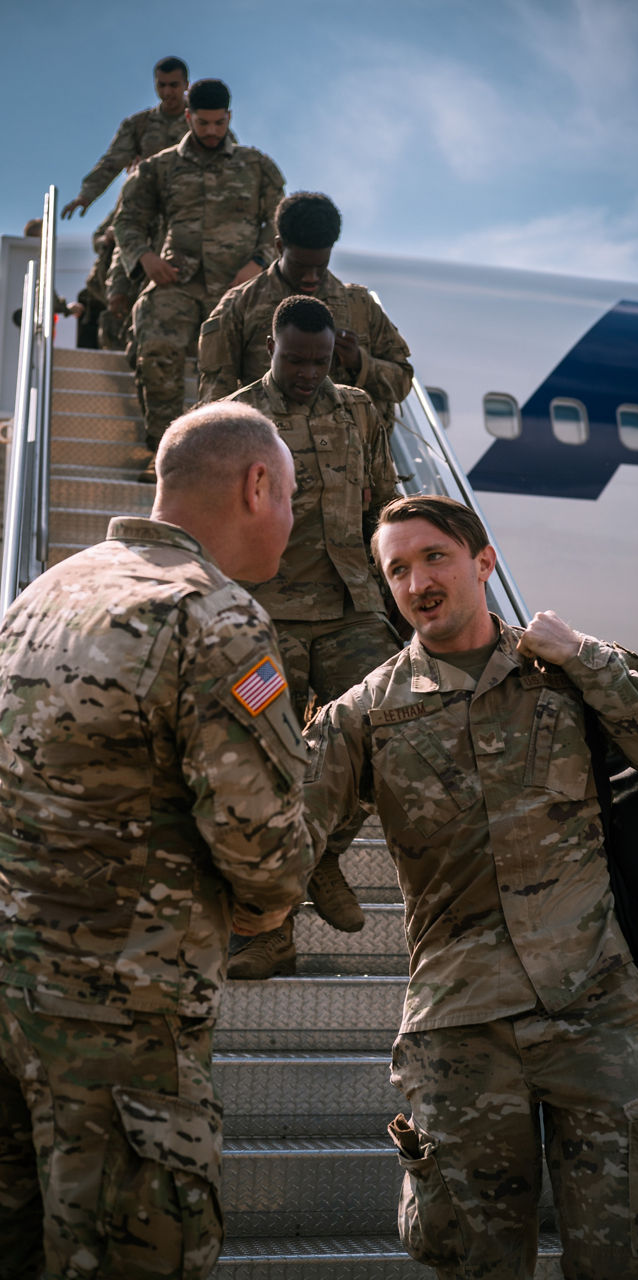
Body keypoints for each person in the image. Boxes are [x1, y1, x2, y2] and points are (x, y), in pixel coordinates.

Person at [299, 494, 638, 1280]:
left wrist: (587, 655)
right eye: (397, 569)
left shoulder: (565, 674)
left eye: (434, 557)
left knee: (628, 1255)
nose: (417, 580)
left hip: (593, 1014)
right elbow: (283, 841)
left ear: (482, 562)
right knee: (479, 1261)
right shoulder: (365, 715)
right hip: (461, 1033)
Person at [0, 402, 315, 1279]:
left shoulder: (43, 593)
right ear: (257, 485)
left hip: (15, 1000)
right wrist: (267, 906)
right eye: (290, 496)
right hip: (125, 1027)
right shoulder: (214, 617)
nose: (293, 518)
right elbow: (264, 849)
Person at [223, 294, 401, 977]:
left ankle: (321, 855)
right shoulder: (238, 420)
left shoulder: (358, 408)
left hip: (352, 606)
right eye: (295, 359)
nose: (306, 372)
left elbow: (383, 499)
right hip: (266, 616)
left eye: (320, 361)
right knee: (265, 768)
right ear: (272, 347)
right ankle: (268, 933)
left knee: (389, 731)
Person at [113, 78, 284, 478]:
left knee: (245, 370)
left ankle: (228, 464)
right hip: (179, 280)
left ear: (229, 118)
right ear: (188, 117)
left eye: (218, 123)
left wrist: (259, 262)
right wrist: (145, 257)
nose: (210, 132)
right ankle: (165, 456)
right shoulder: (160, 167)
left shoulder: (258, 166)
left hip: (240, 286)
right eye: (202, 123)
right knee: (155, 347)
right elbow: (128, 221)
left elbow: (278, 223)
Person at [197, 191, 413, 429]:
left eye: (320, 266)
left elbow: (402, 383)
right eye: (300, 266)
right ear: (279, 247)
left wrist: (360, 362)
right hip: (273, 455)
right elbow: (215, 403)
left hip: (350, 457)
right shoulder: (238, 307)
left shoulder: (360, 307)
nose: (311, 278)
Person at [60, 56, 191, 221]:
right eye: (161, 85)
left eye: (173, 85)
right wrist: (86, 195)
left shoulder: (204, 122)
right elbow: (112, 162)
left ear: (186, 85)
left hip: (190, 210)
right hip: (149, 211)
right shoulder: (139, 125)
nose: (166, 92)